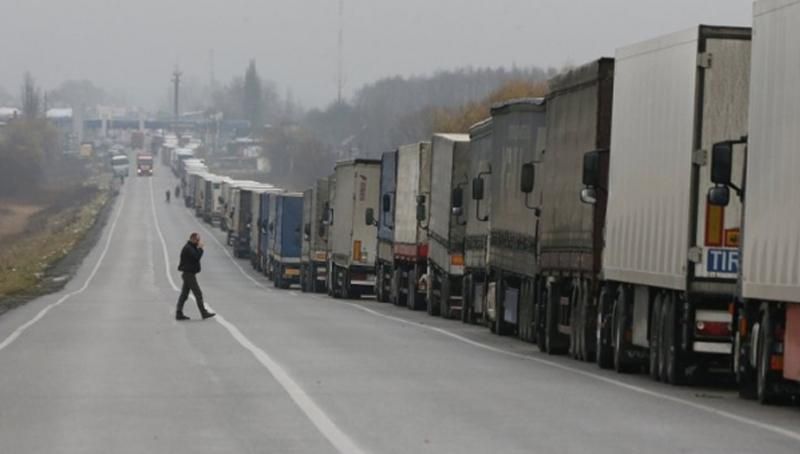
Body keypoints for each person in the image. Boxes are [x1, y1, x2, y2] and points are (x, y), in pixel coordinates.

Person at [175, 232, 215, 321]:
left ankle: (179, 313)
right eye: (197, 240)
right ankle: (203, 312)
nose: (198, 242)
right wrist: (200, 248)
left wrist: (198, 248)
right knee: (198, 293)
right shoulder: (188, 248)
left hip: (189, 274)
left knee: (184, 295)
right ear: (192, 239)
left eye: (199, 240)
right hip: (188, 275)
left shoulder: (191, 247)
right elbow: (196, 257)